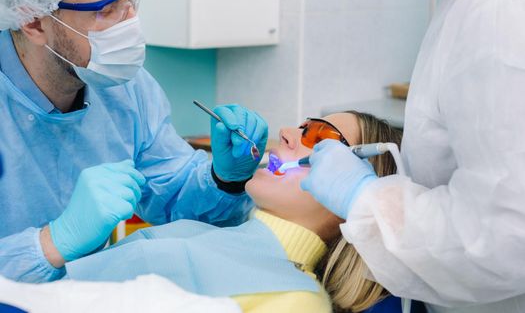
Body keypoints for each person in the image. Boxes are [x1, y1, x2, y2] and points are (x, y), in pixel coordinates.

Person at [0, 0, 267, 283]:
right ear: (33, 22)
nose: (131, 25)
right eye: (107, 10)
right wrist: (52, 244)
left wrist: (225, 180)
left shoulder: (127, 88)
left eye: (132, 1)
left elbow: (174, 196)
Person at [301, 0, 525, 312]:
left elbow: (506, 238)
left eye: (321, 138)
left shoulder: (503, 9)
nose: (290, 134)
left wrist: (364, 198)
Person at [50, 112, 402, 313]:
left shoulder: (295, 301)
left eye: (320, 137)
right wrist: (53, 246)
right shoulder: (204, 232)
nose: (287, 133)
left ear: (355, 193)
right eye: (302, 125)